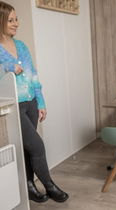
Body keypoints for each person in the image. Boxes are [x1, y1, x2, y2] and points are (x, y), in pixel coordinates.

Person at [0, 1, 68, 203]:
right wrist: (7, 67)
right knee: (37, 146)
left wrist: (41, 102)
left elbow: (33, 76)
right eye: (10, 20)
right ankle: (49, 186)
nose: (16, 24)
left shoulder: (21, 45)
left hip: (30, 103)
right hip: (13, 107)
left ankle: (29, 186)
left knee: (29, 148)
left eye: (16, 19)